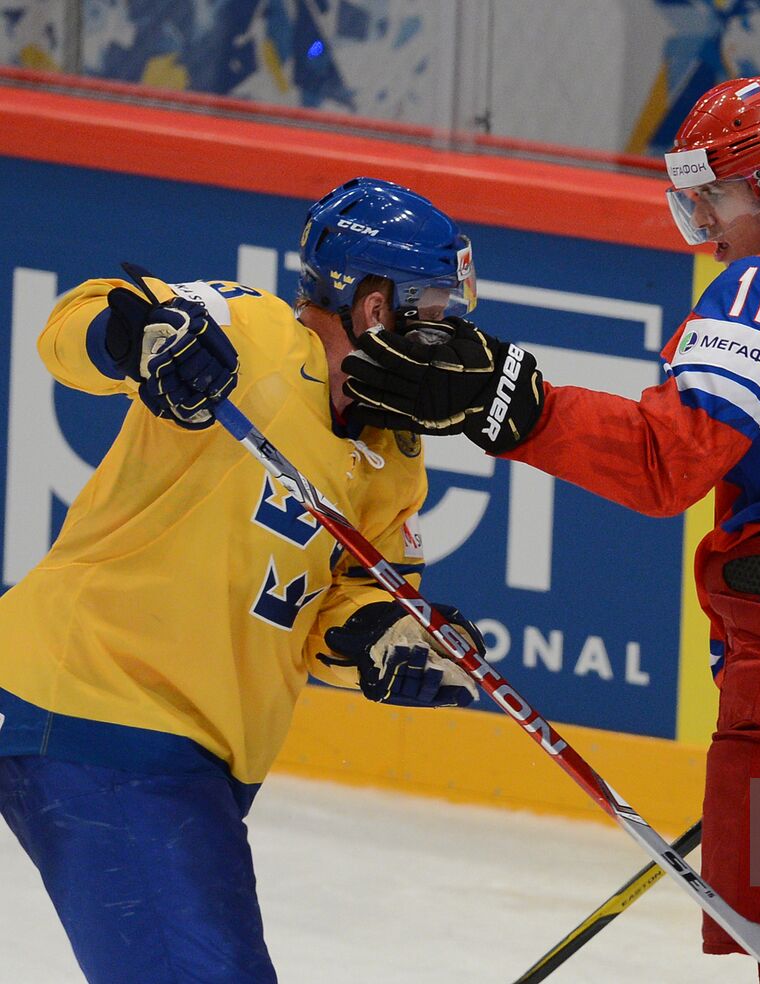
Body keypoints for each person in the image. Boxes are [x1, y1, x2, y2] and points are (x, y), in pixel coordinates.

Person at [339, 75, 760, 983]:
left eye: (718, 199)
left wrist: (522, 406)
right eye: (690, 203)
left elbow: (669, 464)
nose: (706, 231)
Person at [0, 177, 487, 983]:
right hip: (96, 707)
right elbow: (77, 319)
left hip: (194, 758)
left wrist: (390, 640)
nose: (445, 331)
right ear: (372, 306)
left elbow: (345, 598)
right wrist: (140, 339)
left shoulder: (393, 452)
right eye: (431, 307)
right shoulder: (249, 330)